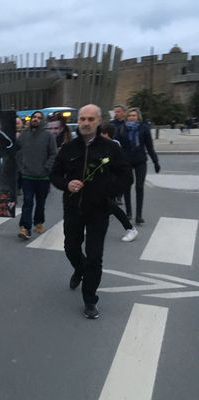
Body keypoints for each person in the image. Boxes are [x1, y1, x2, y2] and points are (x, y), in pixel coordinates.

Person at [50, 104, 132, 319]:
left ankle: (89, 299)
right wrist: (67, 184)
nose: (85, 123)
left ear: (98, 121)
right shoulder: (68, 148)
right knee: (70, 248)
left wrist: (107, 191)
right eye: (82, 119)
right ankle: (79, 269)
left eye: (90, 119)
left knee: (95, 257)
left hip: (98, 211)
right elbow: (55, 175)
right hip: (73, 209)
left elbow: (126, 177)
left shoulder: (111, 148)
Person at [115, 107, 160, 224]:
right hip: (126, 162)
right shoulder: (121, 129)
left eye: (134, 116)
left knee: (139, 187)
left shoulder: (144, 129)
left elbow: (149, 146)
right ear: (127, 117)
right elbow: (115, 146)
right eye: (130, 116)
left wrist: (155, 161)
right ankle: (129, 212)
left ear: (138, 117)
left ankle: (139, 215)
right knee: (127, 187)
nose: (131, 118)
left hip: (140, 160)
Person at [16, 111, 57, 239]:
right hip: (27, 175)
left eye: (39, 118)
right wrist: (21, 167)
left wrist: (47, 168)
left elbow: (53, 154)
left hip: (43, 177)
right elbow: (17, 152)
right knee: (27, 202)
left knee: (40, 203)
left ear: (43, 121)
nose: (36, 119)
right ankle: (24, 228)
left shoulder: (48, 136)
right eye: (34, 117)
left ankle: (38, 222)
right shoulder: (24, 135)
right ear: (31, 119)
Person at [99, 123, 138, 242]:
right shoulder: (101, 144)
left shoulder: (114, 145)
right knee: (99, 205)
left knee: (110, 205)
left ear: (106, 134)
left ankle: (130, 229)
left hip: (111, 181)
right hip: (102, 180)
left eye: (102, 133)